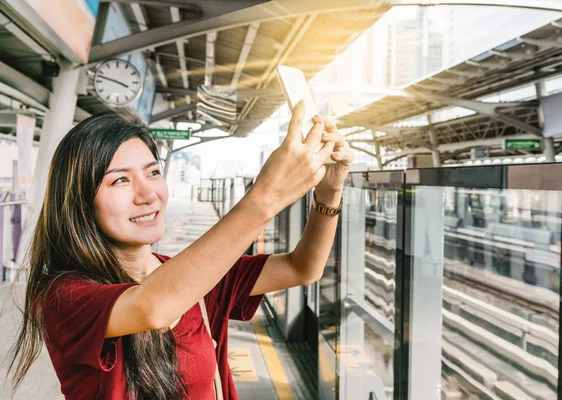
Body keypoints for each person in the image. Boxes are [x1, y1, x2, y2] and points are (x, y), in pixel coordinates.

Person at [6, 101, 354, 400]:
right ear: (79, 202)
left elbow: (301, 268)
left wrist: (330, 192)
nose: (148, 193)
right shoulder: (63, 297)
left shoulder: (196, 277)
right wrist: (266, 196)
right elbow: (152, 306)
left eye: (153, 172)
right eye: (120, 180)